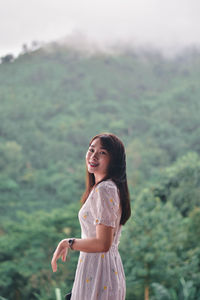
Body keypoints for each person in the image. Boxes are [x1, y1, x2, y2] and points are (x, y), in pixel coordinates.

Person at [51, 133, 131, 300]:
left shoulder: (105, 189)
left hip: (99, 272)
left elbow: (103, 243)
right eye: (91, 150)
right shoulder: (103, 188)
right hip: (100, 269)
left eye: (102, 153)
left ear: (114, 160)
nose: (93, 156)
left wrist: (68, 243)